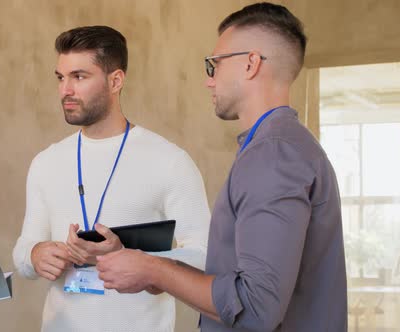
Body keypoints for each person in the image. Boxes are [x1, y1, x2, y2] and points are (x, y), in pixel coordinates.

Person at [97, 3, 348, 331]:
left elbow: (256, 308)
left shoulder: (273, 155)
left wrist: (152, 269)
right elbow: (240, 280)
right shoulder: (280, 146)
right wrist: (152, 268)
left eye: (214, 64)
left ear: (250, 63)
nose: (208, 81)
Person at [12, 25, 210, 332]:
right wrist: (35, 254)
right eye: (60, 77)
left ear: (115, 80)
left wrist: (133, 259)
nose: (65, 89)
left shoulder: (170, 161)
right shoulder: (45, 162)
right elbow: (24, 249)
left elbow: (204, 255)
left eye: (79, 77)